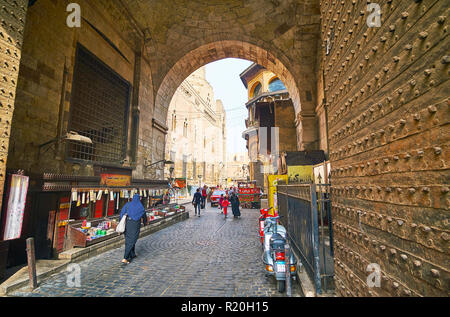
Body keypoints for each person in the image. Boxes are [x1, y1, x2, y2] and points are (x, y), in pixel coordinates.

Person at [119, 194, 147, 265]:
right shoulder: (140, 206)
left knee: (129, 240)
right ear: (139, 199)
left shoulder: (128, 204)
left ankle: (132, 254)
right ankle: (125, 258)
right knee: (132, 240)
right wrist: (144, 222)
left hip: (127, 224)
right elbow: (144, 215)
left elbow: (122, 213)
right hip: (135, 225)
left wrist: (121, 222)